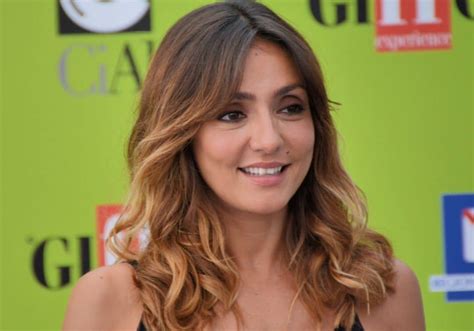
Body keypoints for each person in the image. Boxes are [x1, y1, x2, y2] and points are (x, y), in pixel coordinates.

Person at [63, 1, 425, 330]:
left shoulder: (384, 290)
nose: (269, 139)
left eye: (290, 107)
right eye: (232, 114)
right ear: (183, 133)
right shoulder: (111, 301)